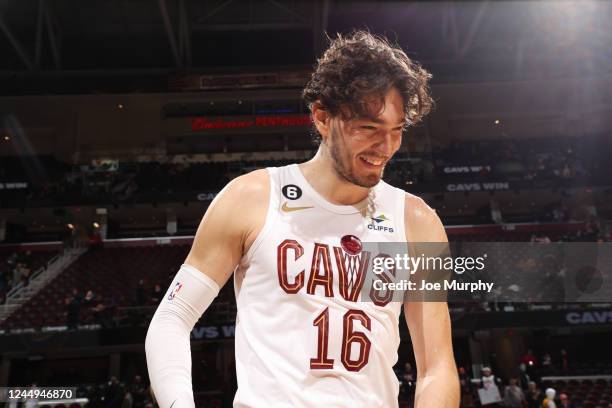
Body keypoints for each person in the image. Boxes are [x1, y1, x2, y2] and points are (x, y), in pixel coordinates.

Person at [146, 30, 459, 407]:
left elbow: (436, 366)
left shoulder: (417, 221)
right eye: (368, 128)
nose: (386, 147)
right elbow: (172, 319)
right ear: (322, 117)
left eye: (396, 131)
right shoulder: (252, 198)